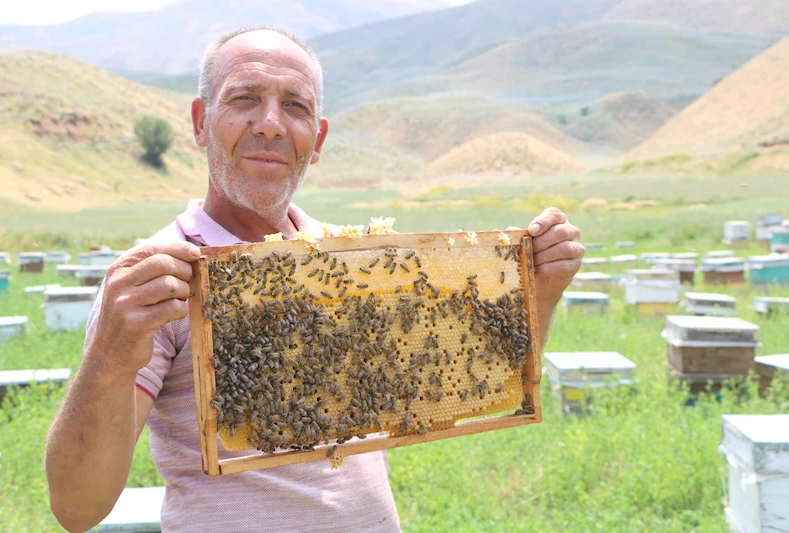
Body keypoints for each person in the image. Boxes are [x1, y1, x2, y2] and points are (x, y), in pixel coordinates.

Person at [45, 25, 584, 533]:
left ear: (318, 138)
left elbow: (472, 375)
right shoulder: (156, 277)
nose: (272, 123)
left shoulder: (354, 260)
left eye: (295, 106)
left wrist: (539, 292)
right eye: (244, 99)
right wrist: (108, 360)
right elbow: (77, 507)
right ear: (199, 122)